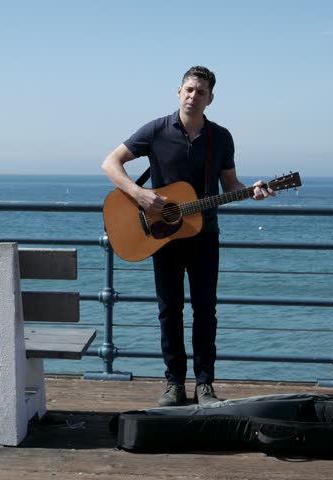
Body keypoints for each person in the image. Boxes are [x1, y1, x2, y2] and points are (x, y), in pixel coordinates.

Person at [101, 65, 274, 406]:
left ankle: (205, 385)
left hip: (204, 235)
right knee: (169, 310)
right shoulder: (156, 130)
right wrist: (140, 195)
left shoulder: (220, 138)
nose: (194, 96)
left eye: (201, 92)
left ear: (211, 99)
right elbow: (110, 163)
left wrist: (251, 190)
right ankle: (174, 384)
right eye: (189, 89)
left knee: (206, 311)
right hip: (162, 236)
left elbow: (230, 186)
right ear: (178, 92)